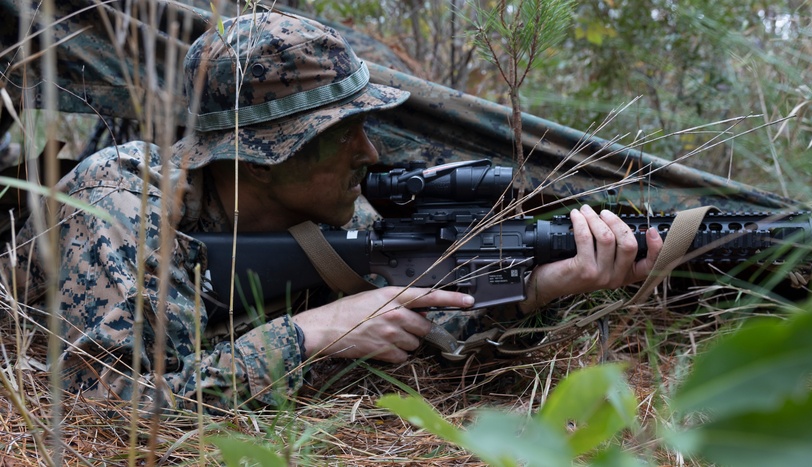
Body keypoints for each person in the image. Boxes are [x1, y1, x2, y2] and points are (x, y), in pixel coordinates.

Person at [3, 11, 663, 413]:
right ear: (261, 150)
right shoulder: (122, 202)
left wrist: (545, 283)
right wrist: (309, 334)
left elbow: (423, 329)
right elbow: (115, 410)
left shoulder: (338, 221)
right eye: (342, 131)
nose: (370, 151)